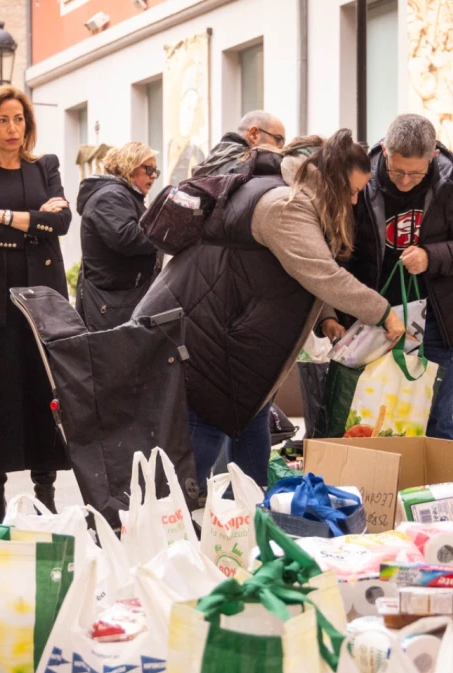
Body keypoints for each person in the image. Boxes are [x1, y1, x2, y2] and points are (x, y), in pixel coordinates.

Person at [135, 130, 405, 489]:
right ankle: (159, 526)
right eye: (351, 191)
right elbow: (322, 273)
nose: (355, 201)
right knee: (200, 447)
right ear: (330, 179)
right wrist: (383, 311)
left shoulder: (298, 195)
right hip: (212, 343)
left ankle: (247, 522)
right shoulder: (284, 205)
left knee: (250, 439)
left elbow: (304, 265)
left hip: (238, 349)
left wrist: (324, 316)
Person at [0, 85, 72, 523]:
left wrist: (3, 217)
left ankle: (46, 495)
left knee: (46, 394)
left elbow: (60, 222)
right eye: (3, 120)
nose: (12, 129)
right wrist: (32, 225)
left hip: (41, 298)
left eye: (19, 119)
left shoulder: (45, 166)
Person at [333, 113, 453, 439]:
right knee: (374, 416)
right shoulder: (361, 180)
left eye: (415, 173)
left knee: (440, 419)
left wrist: (432, 256)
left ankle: (436, 490)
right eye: (397, 170)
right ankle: (383, 483)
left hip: (438, 322)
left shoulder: (449, 181)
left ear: (433, 157)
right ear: (385, 150)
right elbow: (341, 252)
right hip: (374, 318)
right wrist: (338, 314)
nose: (404, 181)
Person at [75, 141, 161, 331]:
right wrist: (167, 228)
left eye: (156, 171)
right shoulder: (110, 195)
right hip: (112, 304)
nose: (154, 175)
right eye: (148, 169)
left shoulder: (124, 195)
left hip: (119, 301)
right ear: (130, 167)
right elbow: (126, 237)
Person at [193, 110, 286, 178]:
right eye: (279, 139)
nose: (281, 148)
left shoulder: (216, 160)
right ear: (254, 134)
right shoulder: (249, 166)